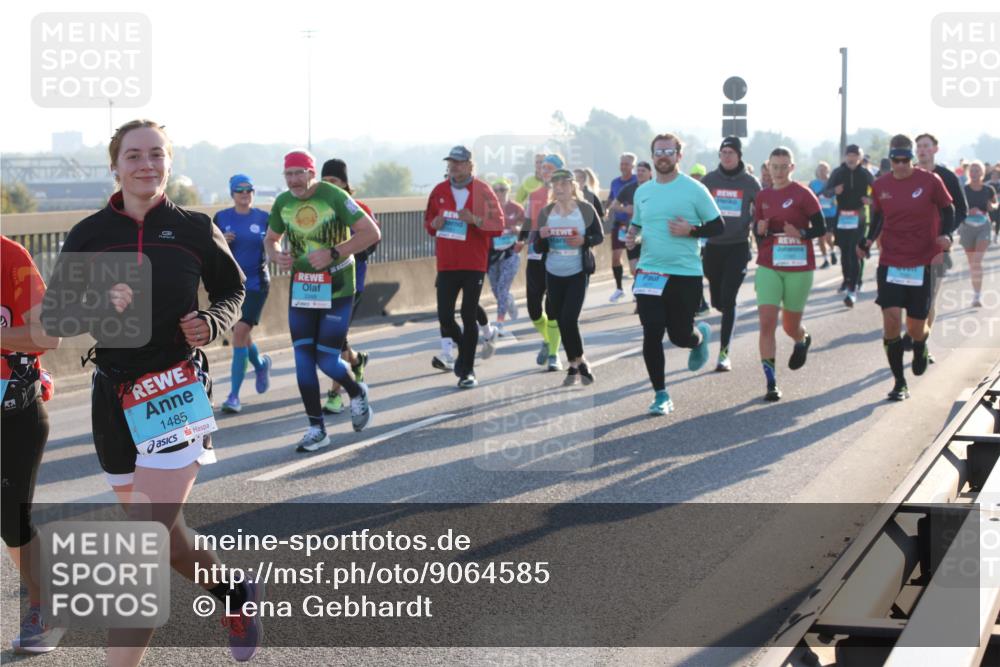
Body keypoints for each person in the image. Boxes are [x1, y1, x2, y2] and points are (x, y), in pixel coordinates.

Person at [40, 119, 262, 664]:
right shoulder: (90, 233)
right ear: (114, 166)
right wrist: (99, 305)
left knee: (140, 546)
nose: (146, 165)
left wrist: (212, 321)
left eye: (156, 154)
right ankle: (232, 590)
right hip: (111, 396)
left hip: (175, 390)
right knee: (166, 539)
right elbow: (56, 317)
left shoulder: (193, 227)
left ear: (170, 162)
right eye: (134, 155)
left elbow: (234, 287)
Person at [265, 150, 380, 450]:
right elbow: (270, 238)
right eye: (288, 174)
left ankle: (356, 392)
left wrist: (333, 252)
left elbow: (371, 232)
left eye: (299, 173)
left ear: (311, 173)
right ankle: (317, 428)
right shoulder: (283, 202)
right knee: (303, 361)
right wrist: (275, 254)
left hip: (338, 287)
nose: (293, 181)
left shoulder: (332, 195)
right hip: (303, 288)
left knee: (327, 359)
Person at [625, 133, 724, 416]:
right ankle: (661, 394)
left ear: (679, 156)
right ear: (653, 156)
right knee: (652, 331)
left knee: (680, 336)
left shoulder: (694, 189)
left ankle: (699, 337)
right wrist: (633, 246)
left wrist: (692, 230)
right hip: (650, 273)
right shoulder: (642, 191)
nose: (663, 156)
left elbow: (718, 226)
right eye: (658, 152)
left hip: (684, 273)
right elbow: (636, 227)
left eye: (669, 151)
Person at [858, 134, 955, 401]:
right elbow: (878, 217)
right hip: (891, 261)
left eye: (905, 160)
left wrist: (946, 234)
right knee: (890, 321)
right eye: (895, 160)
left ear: (912, 160)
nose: (900, 165)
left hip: (921, 260)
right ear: (890, 161)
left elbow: (948, 210)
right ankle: (899, 382)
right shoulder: (881, 185)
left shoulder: (930, 181)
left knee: (915, 328)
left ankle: (922, 343)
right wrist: (866, 240)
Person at [2, 236, 62, 654]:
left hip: (14, 411)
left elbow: (48, 335)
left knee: (10, 519)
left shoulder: (11, 257)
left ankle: (46, 606)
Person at [424, 146, 503, 388]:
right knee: (445, 318)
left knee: (469, 315)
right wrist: (434, 224)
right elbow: (429, 223)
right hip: (447, 263)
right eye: (451, 162)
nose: (454, 166)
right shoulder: (438, 191)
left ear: (470, 165)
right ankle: (465, 352)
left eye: (459, 162)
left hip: (473, 264)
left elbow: (498, 226)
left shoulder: (482, 190)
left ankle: (467, 370)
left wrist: (475, 220)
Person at [753, 148, 826, 401]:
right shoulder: (762, 196)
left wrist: (802, 234)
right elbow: (758, 231)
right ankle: (771, 382)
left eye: (784, 166)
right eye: (775, 166)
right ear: (768, 168)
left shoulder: (803, 194)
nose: (779, 171)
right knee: (766, 322)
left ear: (792, 168)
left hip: (798, 266)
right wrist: (760, 230)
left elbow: (821, 226)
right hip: (769, 264)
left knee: (789, 325)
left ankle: (801, 338)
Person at [534, 169, 604, 384]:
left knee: (569, 318)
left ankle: (580, 361)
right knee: (560, 319)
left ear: (573, 186)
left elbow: (599, 236)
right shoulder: (546, 212)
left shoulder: (585, 209)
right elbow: (537, 245)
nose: (560, 188)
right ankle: (575, 364)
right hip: (554, 272)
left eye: (564, 183)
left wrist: (584, 240)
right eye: (556, 184)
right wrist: (543, 237)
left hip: (577, 271)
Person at [319, 159, 377, 415]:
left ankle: (335, 394)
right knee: (334, 340)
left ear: (345, 184)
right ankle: (356, 359)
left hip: (350, 285)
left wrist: (341, 250)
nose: (330, 186)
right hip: (319, 286)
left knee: (332, 341)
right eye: (325, 182)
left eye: (334, 182)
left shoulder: (359, 208)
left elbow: (372, 244)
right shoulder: (315, 210)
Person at [701, 136, 762, 371]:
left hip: (738, 245)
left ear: (739, 156)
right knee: (717, 300)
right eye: (723, 152)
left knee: (729, 298)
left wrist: (760, 229)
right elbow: (696, 205)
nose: (726, 156)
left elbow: (762, 208)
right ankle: (722, 306)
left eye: (731, 152)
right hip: (713, 246)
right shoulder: (709, 180)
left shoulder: (749, 182)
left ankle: (724, 352)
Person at [214, 174, 272, 414]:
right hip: (230, 287)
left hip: (257, 284)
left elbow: (275, 244)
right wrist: (221, 242)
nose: (245, 194)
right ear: (232, 193)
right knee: (243, 336)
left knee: (239, 333)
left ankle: (234, 396)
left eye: (249, 190)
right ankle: (260, 365)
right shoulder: (221, 218)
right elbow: (210, 249)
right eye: (239, 190)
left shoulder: (264, 218)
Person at [913, 133, 968, 360]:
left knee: (929, 299)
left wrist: (946, 233)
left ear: (935, 149)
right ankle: (916, 336)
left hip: (938, 246)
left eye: (926, 146)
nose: (922, 150)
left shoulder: (946, 176)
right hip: (911, 247)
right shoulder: (908, 175)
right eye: (919, 147)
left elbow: (961, 209)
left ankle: (923, 344)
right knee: (911, 299)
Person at [519, 153, 566, 370]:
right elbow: (528, 220)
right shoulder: (535, 192)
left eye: (548, 167)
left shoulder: (567, 194)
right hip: (536, 252)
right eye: (542, 167)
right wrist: (520, 240)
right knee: (533, 308)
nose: (543, 170)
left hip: (558, 253)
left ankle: (555, 355)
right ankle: (547, 340)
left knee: (553, 306)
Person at [823, 144, 874, 307]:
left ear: (859, 158)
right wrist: (834, 191)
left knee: (855, 251)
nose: (852, 158)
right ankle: (847, 280)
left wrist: (870, 199)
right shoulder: (838, 172)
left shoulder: (865, 173)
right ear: (845, 157)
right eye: (849, 155)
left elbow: (877, 192)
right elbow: (826, 192)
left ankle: (854, 284)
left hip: (858, 217)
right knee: (845, 252)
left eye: (855, 155)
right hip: (842, 218)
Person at [487, 178, 523, 336]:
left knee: (502, 287)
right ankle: (509, 300)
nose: (500, 193)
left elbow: (528, 229)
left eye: (503, 190)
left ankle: (500, 322)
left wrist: (518, 229)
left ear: (508, 191)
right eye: (496, 190)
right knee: (496, 290)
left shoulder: (516, 208)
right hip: (493, 254)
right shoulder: (487, 210)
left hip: (511, 253)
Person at [960, 160, 997, 307]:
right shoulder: (964, 189)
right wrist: (967, 211)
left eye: (977, 170)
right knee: (972, 264)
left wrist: (991, 206)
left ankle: (977, 297)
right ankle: (976, 292)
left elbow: (994, 204)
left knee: (977, 261)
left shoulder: (988, 189)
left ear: (982, 173)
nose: (974, 173)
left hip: (983, 226)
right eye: (972, 170)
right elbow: (956, 207)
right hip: (967, 227)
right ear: (969, 173)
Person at [606, 153, 638, 303]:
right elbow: (612, 199)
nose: (624, 166)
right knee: (615, 257)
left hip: (635, 225)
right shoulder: (615, 182)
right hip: (619, 225)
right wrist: (607, 210)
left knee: (636, 261)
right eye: (622, 163)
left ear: (633, 166)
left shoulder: (637, 181)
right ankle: (619, 289)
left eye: (627, 164)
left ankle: (638, 288)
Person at [615, 160, 653, 280]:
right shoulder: (629, 188)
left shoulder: (656, 187)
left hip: (651, 232)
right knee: (633, 269)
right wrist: (626, 209)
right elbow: (614, 205)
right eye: (638, 171)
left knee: (647, 265)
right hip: (633, 231)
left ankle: (644, 293)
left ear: (650, 173)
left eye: (643, 171)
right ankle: (642, 289)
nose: (640, 173)